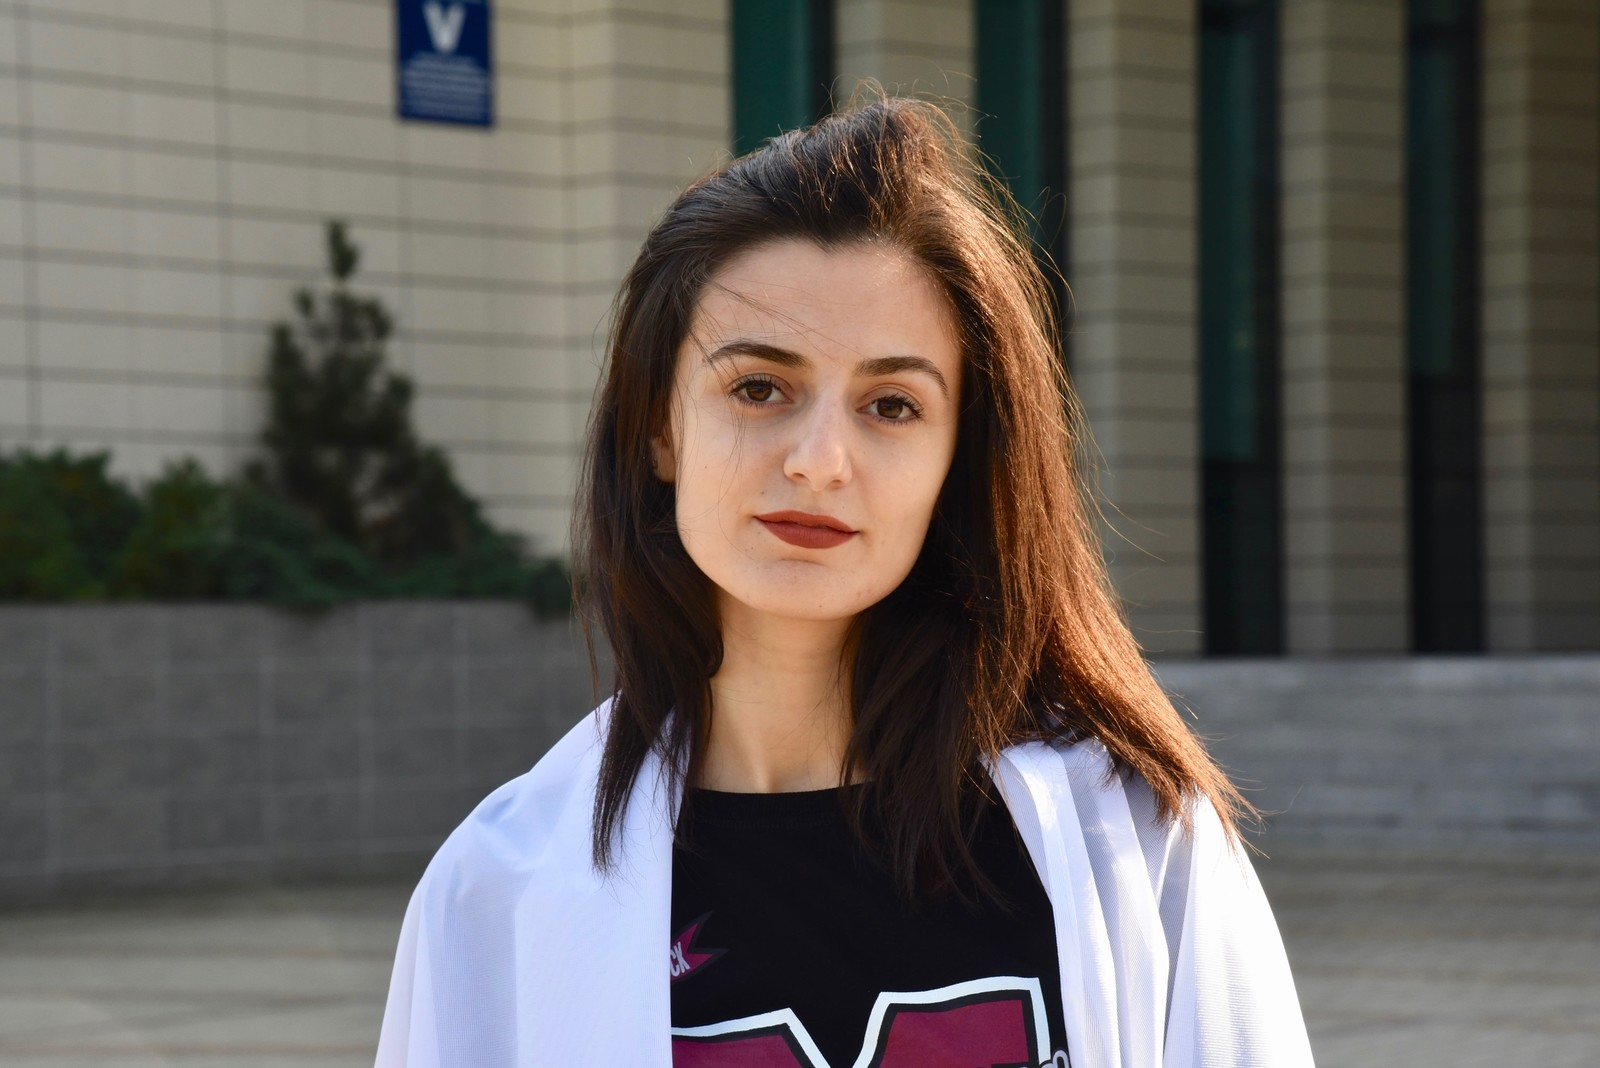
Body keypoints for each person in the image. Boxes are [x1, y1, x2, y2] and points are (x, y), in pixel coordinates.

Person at [374, 98, 1314, 1068]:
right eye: (758, 388)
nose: (820, 460)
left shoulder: (1132, 836)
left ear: (959, 456)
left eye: (892, 405)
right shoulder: (497, 892)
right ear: (660, 429)